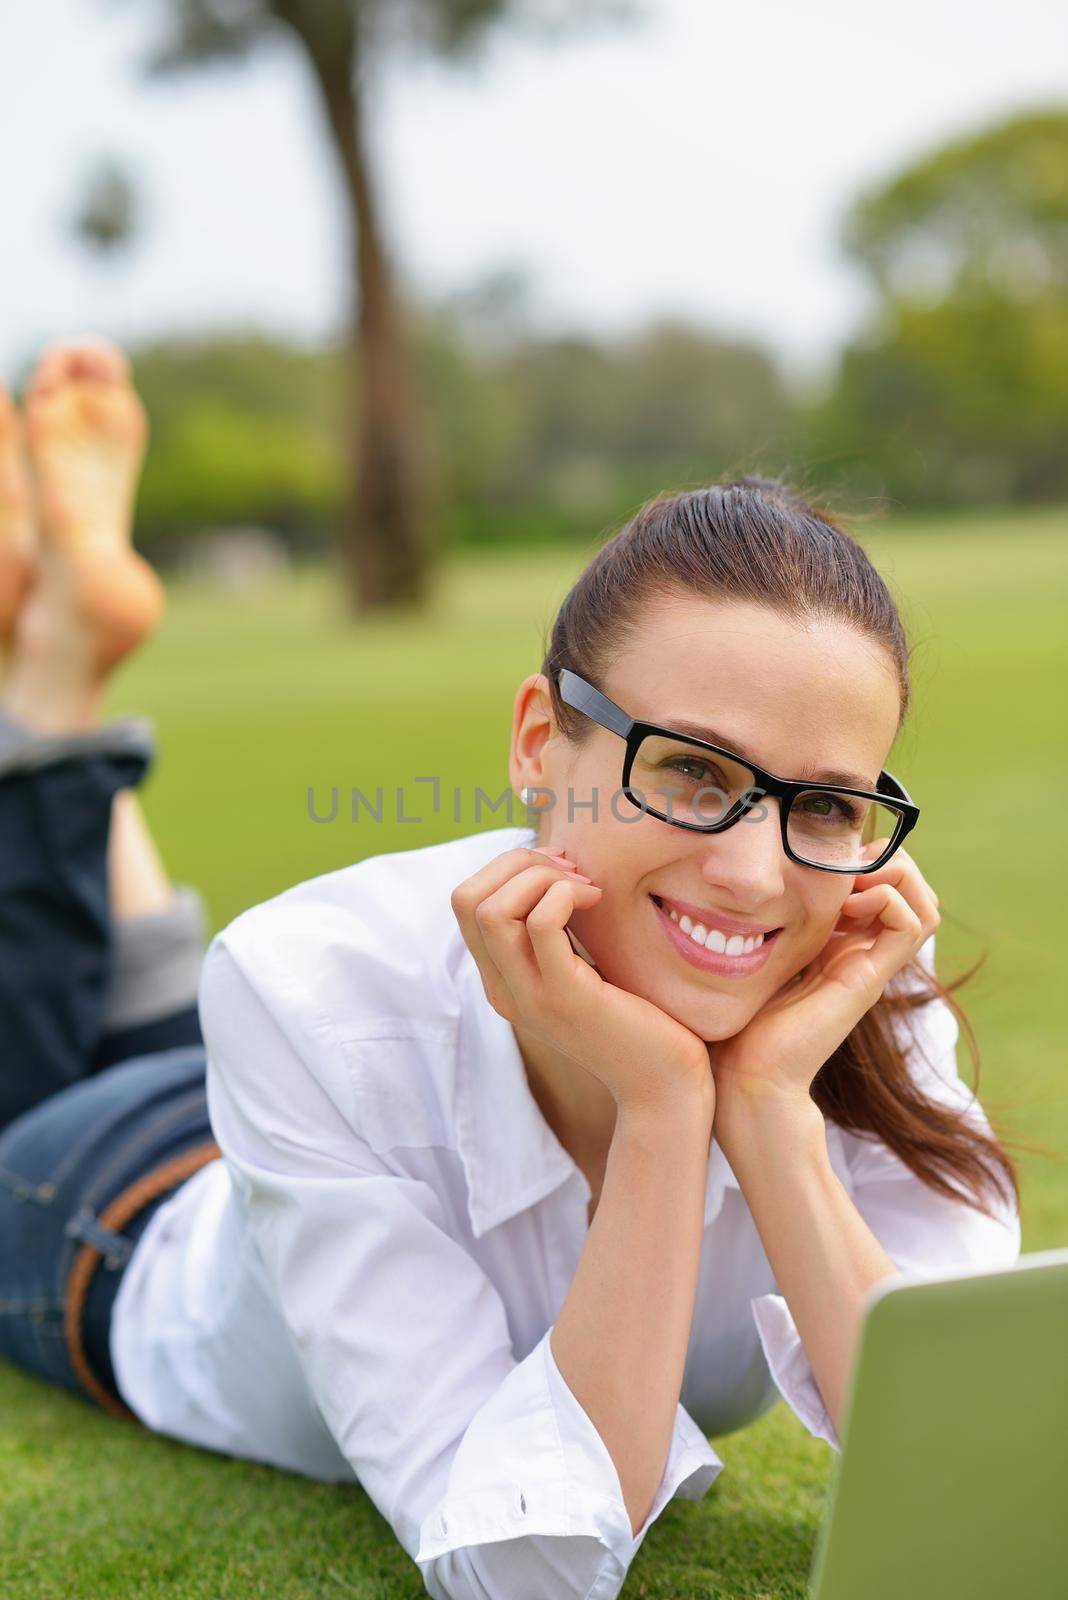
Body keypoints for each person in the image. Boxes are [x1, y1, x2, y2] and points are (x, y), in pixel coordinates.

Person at [0, 338, 1022, 1600]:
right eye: (694, 771)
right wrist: (662, 1111)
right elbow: (520, 1575)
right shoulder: (310, 984)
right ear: (542, 739)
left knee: (161, 1030)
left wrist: (759, 1107)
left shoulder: (851, 984)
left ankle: (64, 693)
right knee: (48, 1072)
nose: (759, 876)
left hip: (269, 1121)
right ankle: (53, 690)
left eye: (825, 806)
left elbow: (975, 1462)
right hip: (113, 1212)